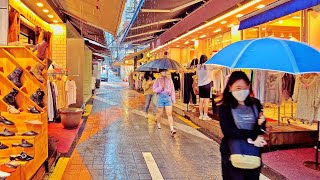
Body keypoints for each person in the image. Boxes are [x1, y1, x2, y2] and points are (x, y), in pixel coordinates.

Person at [218, 71, 267, 180]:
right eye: (238, 88)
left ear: (249, 87)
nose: (242, 91)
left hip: (252, 154)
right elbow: (228, 131)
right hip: (232, 154)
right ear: (230, 88)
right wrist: (253, 136)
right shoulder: (225, 107)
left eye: (245, 88)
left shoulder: (255, 104)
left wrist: (262, 123)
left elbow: (261, 130)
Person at [153, 69, 176, 136]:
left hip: (168, 98)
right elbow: (154, 90)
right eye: (163, 71)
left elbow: (172, 90)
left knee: (169, 114)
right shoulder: (157, 80)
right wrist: (161, 88)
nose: (165, 72)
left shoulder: (169, 80)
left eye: (166, 71)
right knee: (160, 113)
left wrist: (173, 99)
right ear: (160, 72)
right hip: (160, 98)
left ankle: (172, 129)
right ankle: (158, 123)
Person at [197, 54, 214, 120]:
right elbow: (216, 68)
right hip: (207, 85)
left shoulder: (199, 66)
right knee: (206, 101)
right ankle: (205, 115)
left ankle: (201, 115)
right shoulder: (208, 66)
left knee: (201, 101)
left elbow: (197, 75)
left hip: (200, 85)